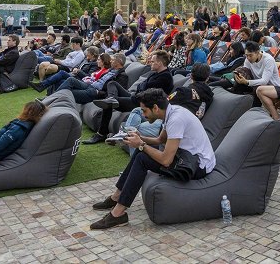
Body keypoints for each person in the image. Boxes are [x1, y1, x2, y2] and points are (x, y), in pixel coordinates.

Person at [89, 88, 216, 229]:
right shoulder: (171, 112)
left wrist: (141, 144)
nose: (143, 114)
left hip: (197, 166)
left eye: (144, 111)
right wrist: (139, 138)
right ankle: (117, 196)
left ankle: (118, 214)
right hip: (186, 157)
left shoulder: (176, 119)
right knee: (141, 151)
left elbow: (166, 160)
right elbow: (159, 140)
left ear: (155, 108)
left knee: (142, 157)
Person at [107, 63, 214, 149]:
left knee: (135, 131)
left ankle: (125, 136)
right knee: (136, 111)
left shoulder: (184, 91)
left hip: (172, 125)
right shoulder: (209, 96)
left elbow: (164, 106)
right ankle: (124, 133)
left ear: (191, 76)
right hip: (187, 126)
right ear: (207, 78)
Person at [31, 46, 100, 94]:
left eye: (88, 53)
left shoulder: (94, 64)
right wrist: (75, 69)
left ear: (93, 54)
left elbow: (88, 76)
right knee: (59, 79)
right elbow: (76, 66)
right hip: (74, 74)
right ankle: (48, 92)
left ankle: (42, 85)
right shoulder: (86, 60)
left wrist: (78, 71)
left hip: (79, 79)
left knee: (62, 73)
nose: (86, 53)